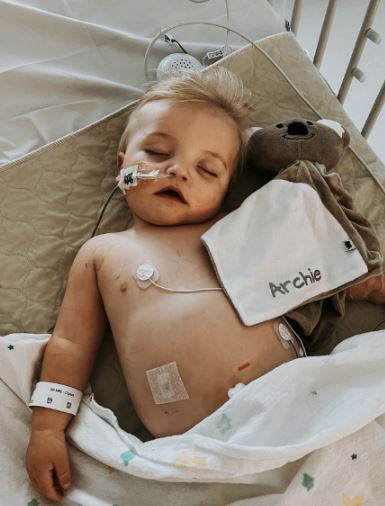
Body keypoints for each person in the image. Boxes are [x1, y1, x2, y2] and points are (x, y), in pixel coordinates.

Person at [25, 67, 305, 503]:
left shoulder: (235, 228)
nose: (178, 171)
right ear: (122, 169)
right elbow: (70, 346)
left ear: (226, 192)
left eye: (207, 170)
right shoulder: (102, 253)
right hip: (194, 450)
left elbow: (307, 266)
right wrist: (46, 427)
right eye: (157, 153)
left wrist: (365, 286)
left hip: (294, 401)